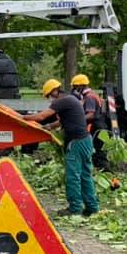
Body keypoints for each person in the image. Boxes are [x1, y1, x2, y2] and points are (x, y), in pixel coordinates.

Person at [28, 78, 99, 217]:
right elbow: (61, 121)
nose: (50, 99)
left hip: (76, 142)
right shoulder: (70, 99)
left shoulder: (61, 101)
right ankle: (92, 207)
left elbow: (42, 116)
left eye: (49, 95)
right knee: (85, 175)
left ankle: (75, 208)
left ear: (54, 91)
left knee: (73, 176)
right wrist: (48, 127)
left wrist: (21, 117)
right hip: (86, 140)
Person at [71, 74, 109, 169]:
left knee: (98, 150)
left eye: (75, 87)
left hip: (98, 128)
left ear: (81, 86)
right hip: (102, 126)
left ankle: (106, 172)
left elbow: (90, 114)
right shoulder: (92, 94)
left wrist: (77, 120)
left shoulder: (89, 97)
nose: (74, 89)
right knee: (100, 150)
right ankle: (102, 171)